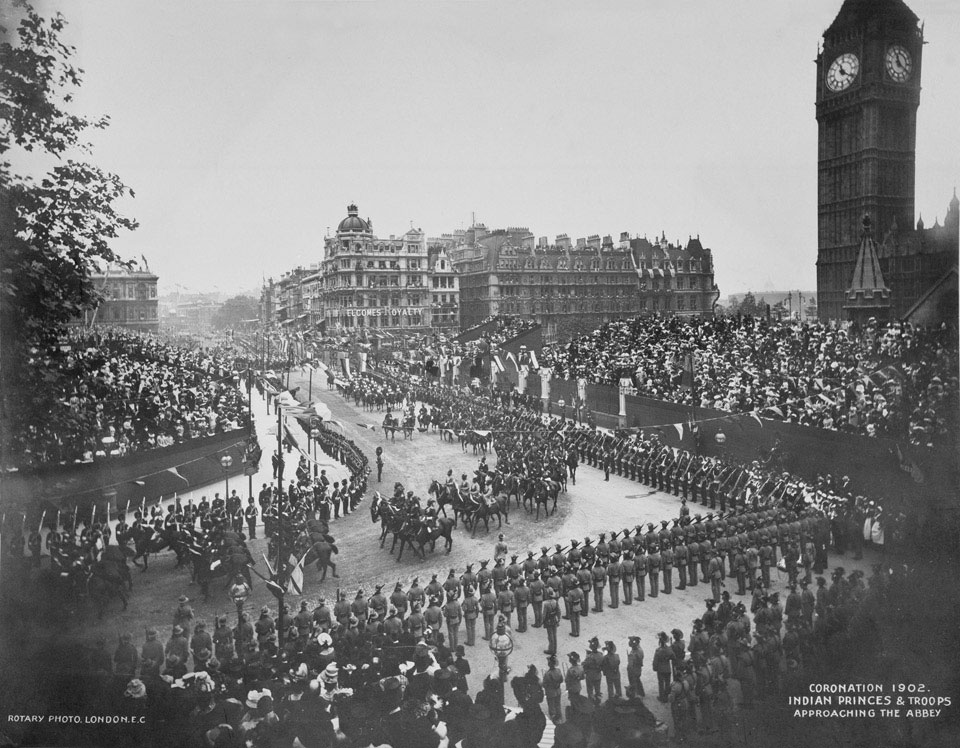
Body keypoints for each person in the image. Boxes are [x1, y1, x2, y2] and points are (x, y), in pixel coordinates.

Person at [543, 655, 565, 723]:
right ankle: (560, 718)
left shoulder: (547, 674)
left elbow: (544, 685)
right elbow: (561, 680)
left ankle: (554, 721)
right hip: (558, 691)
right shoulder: (558, 671)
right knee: (558, 705)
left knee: (552, 708)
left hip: (551, 692)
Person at [653, 632, 673, 702]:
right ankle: (666, 697)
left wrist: (655, 668)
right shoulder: (669, 649)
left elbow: (655, 661)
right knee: (667, 683)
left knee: (661, 683)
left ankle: (661, 697)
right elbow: (673, 657)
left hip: (661, 669)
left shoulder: (658, 650)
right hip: (667, 668)